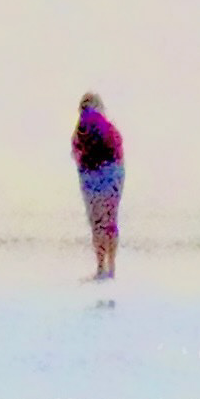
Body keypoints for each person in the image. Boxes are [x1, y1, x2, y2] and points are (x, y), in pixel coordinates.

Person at [71, 92, 124, 280]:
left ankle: (101, 267)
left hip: (91, 177)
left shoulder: (81, 128)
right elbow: (119, 153)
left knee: (97, 223)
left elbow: (76, 154)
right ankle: (112, 267)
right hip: (112, 174)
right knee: (111, 221)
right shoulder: (109, 127)